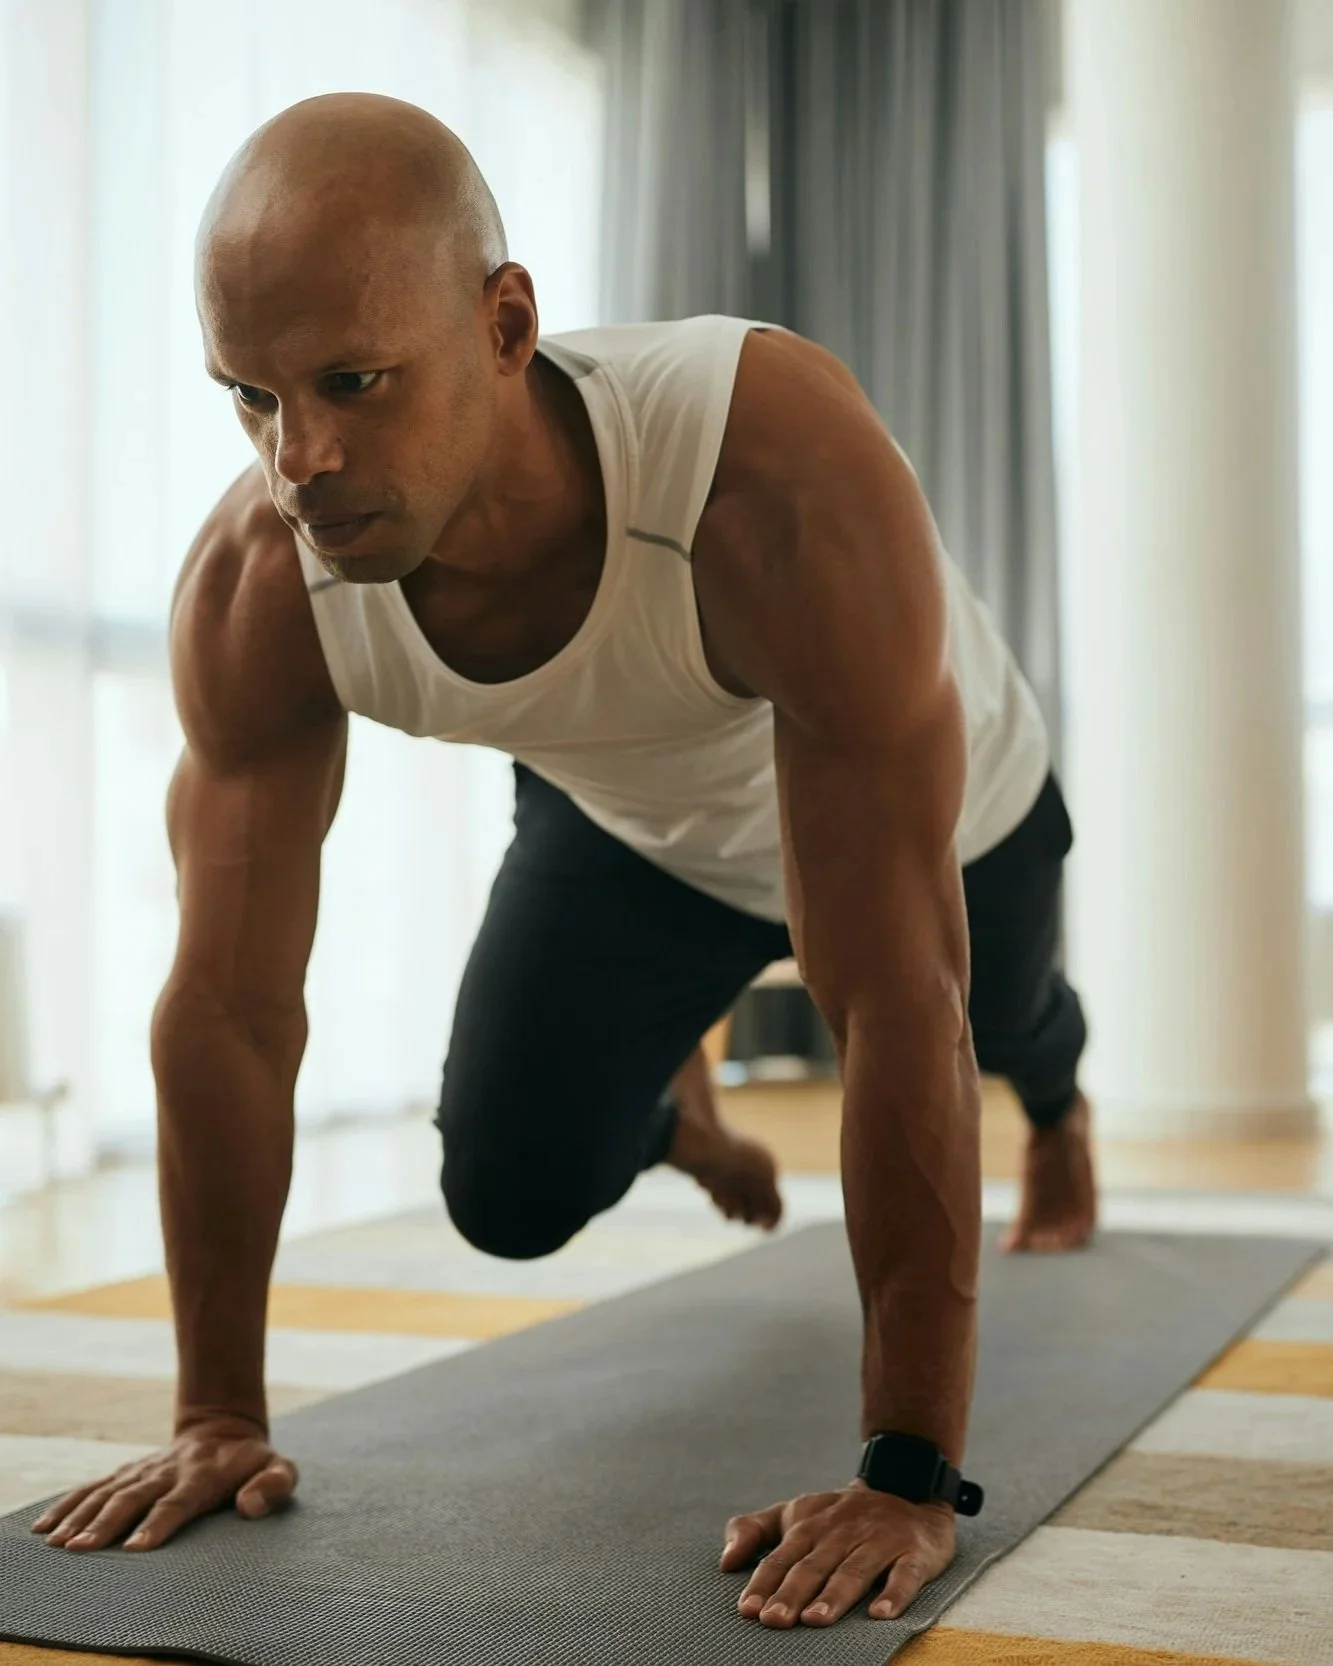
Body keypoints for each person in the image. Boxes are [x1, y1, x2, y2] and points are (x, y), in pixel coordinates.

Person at [31, 93, 1095, 1631]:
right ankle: (676, 1081)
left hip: (954, 810)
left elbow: (893, 995)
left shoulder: (767, 469)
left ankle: (1066, 1108)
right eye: (251, 398)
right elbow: (232, 1009)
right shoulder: (266, 584)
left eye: (354, 381)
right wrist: (215, 1412)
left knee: (1008, 1015)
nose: (301, 460)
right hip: (630, 825)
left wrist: (907, 1471)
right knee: (508, 1191)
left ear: (508, 323)